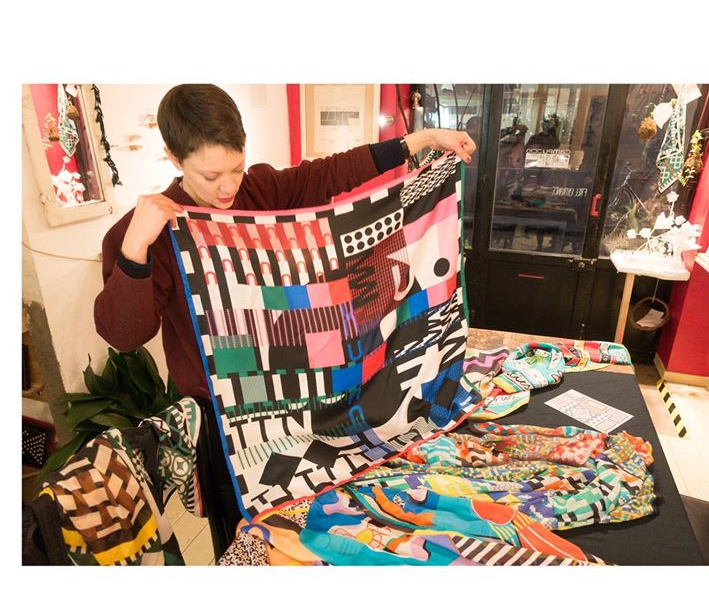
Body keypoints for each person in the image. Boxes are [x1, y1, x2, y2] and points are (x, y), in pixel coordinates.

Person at [94, 84, 476, 400]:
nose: (227, 187)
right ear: (174, 158)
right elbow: (125, 336)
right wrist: (134, 252)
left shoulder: (260, 190)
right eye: (211, 176)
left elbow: (332, 172)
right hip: (219, 409)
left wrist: (425, 138)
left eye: (236, 169)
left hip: (294, 388)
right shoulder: (148, 231)